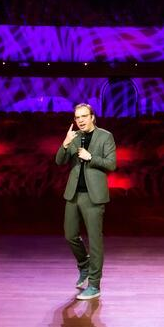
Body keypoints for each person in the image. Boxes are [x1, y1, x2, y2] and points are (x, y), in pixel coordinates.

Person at [55, 102, 117, 300]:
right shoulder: (74, 137)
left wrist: (91, 157)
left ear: (92, 117)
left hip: (93, 195)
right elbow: (59, 161)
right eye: (77, 117)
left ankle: (94, 285)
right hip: (73, 194)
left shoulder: (105, 136)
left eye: (84, 116)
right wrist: (65, 144)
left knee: (95, 241)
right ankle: (84, 265)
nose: (80, 120)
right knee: (70, 235)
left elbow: (111, 164)